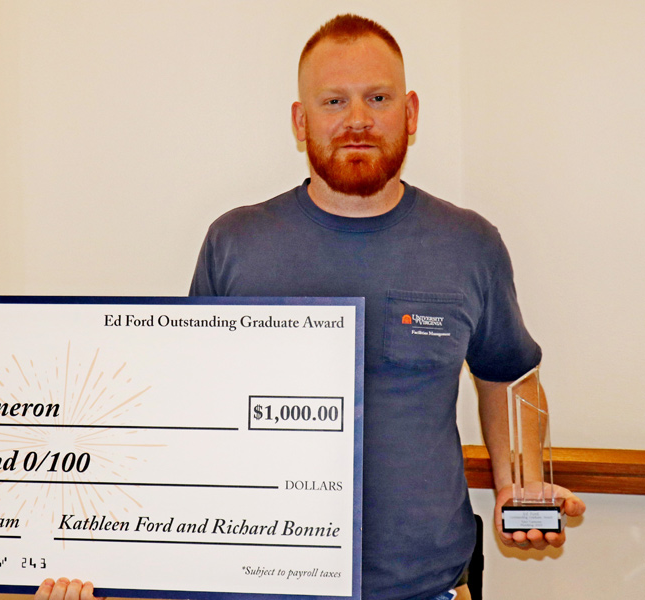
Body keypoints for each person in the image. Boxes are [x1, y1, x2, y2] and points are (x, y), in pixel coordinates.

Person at [38, 12, 586, 600]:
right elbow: (181, 419)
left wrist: (521, 488)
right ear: (301, 121)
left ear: (412, 112)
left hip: (426, 589)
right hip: (258, 589)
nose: (357, 120)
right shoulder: (236, 244)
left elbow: (509, 377)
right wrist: (96, 553)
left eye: (378, 97)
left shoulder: (468, 243)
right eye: (333, 101)